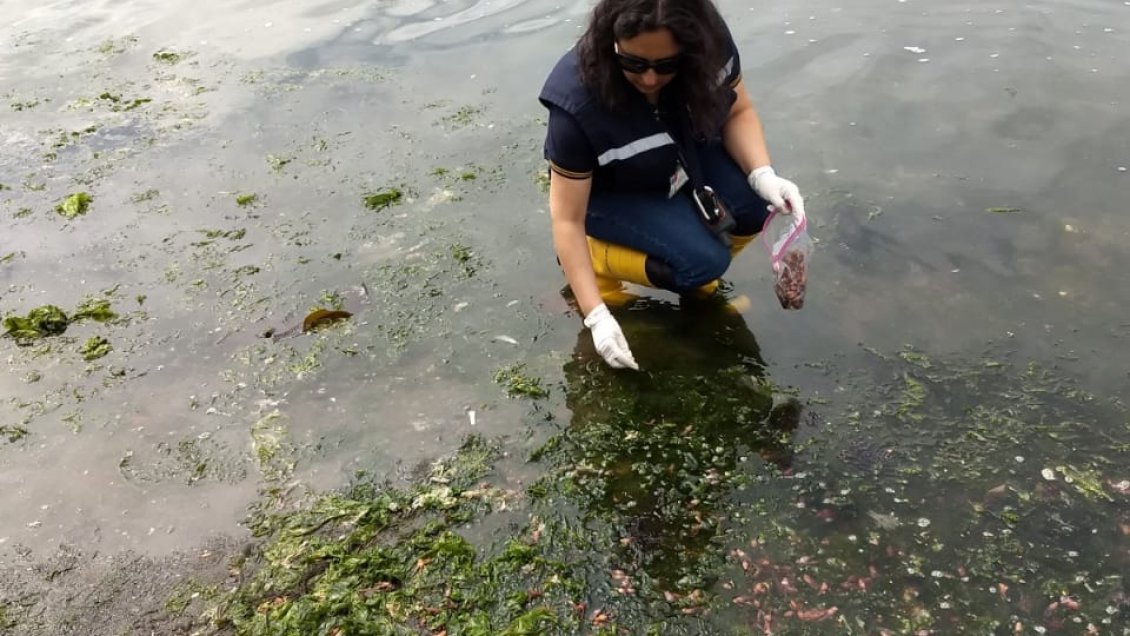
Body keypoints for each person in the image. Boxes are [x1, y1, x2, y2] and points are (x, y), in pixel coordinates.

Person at [537, 0, 808, 371]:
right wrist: (596, 316)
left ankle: (697, 286)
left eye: (666, 65)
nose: (649, 79)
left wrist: (764, 175)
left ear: (692, 50)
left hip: (679, 155)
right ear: (610, 42)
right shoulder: (577, 100)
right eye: (633, 63)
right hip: (605, 193)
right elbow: (566, 219)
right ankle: (598, 261)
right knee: (703, 262)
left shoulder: (711, 47)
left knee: (757, 206)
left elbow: (739, 111)